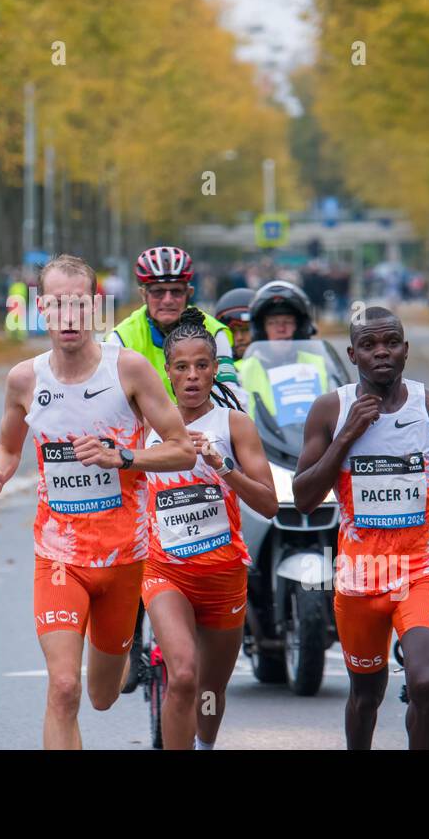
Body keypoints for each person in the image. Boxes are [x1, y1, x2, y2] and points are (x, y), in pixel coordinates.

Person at [0, 254, 196, 750]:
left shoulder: (130, 370)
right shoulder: (24, 380)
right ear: (41, 309)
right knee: (64, 687)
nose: (68, 317)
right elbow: (8, 446)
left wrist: (126, 457)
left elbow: (181, 449)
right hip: (58, 557)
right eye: (56, 305)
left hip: (125, 558)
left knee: (102, 693)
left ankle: (118, 664)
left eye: (78, 304)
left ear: (95, 307)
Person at [293, 307, 429, 749]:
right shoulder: (331, 410)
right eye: (369, 345)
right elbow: (304, 498)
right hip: (360, 578)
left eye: (390, 342)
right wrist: (347, 435)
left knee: (425, 683)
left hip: (420, 569)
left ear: (406, 350)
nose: (381, 352)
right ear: (353, 354)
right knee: (366, 694)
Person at [142, 308, 277, 749]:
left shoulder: (234, 425)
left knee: (208, 690)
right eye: (182, 367)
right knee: (182, 673)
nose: (193, 376)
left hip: (223, 576)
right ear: (167, 371)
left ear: (216, 368)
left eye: (202, 365)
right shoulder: (146, 428)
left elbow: (269, 503)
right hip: (166, 572)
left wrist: (224, 466)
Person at [107, 245, 238, 402]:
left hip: (205, 424)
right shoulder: (121, 338)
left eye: (176, 291)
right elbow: (113, 402)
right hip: (148, 425)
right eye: (158, 292)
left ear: (189, 293)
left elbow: (230, 394)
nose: (168, 300)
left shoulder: (215, 332)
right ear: (143, 295)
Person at [237, 280, 328, 419]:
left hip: (314, 438)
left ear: (299, 328)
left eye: (287, 322)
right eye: (272, 323)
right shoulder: (244, 370)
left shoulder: (319, 364)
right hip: (259, 440)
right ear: (261, 330)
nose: (281, 329)